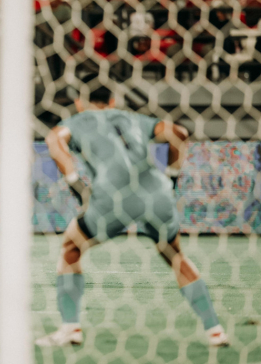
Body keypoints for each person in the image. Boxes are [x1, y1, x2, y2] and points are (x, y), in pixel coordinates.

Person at [35, 74, 229, 347]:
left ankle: (70, 329)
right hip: (156, 192)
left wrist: (75, 183)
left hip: (112, 195)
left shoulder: (76, 121)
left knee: (71, 249)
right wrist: (171, 177)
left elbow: (55, 141)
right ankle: (215, 330)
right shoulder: (131, 117)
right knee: (176, 257)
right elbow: (179, 134)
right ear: (113, 101)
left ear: (80, 102)